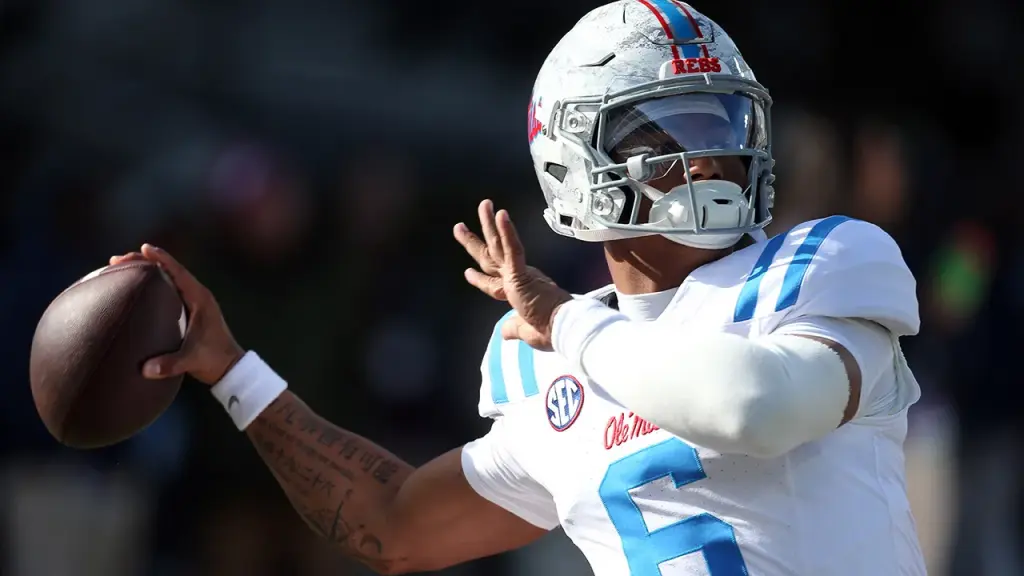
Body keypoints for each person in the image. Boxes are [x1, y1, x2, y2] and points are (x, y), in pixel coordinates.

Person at [112, 1, 927, 574]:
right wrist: (229, 368)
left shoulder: (823, 262)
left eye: (724, 122)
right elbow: (391, 526)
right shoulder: (543, 363)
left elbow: (755, 408)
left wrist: (568, 324)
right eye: (673, 128)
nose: (713, 158)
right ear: (573, 163)